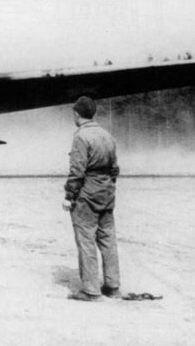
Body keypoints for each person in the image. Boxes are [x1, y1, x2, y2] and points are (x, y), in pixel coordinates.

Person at [63, 96, 121, 301]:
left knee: (86, 240)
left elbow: (77, 171)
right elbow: (115, 169)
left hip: (87, 194)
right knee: (108, 240)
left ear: (77, 114)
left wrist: (69, 196)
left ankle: (90, 290)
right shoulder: (107, 135)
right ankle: (113, 287)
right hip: (107, 193)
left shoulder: (81, 137)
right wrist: (106, 185)